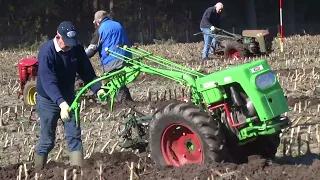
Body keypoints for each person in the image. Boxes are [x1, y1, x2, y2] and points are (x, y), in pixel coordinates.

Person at [34, 21, 106, 169]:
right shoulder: (47, 52)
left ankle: (77, 171)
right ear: (57, 37)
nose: (69, 46)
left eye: (71, 43)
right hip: (48, 99)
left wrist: (97, 88)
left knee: (74, 136)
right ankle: (37, 172)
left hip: (68, 97)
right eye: (66, 43)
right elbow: (49, 82)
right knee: (47, 140)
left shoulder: (76, 48)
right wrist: (61, 103)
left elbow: (86, 71)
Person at [85, 10, 133, 102]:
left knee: (116, 85)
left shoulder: (101, 29)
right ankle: (126, 101)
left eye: (95, 23)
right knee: (117, 83)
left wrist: (80, 57)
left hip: (112, 61)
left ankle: (124, 103)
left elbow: (91, 50)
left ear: (98, 21)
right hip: (126, 58)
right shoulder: (117, 24)